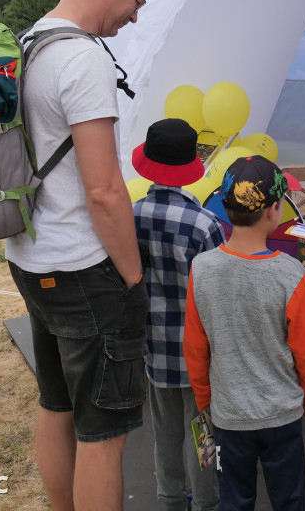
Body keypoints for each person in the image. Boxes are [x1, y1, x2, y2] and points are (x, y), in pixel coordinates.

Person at [5, 0, 153, 511]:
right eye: (137, 0)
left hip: (29, 258)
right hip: (84, 271)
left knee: (56, 407)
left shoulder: (29, 42)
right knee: (103, 435)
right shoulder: (84, 58)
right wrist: (133, 278)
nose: (134, 17)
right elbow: (105, 190)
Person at [184, 155, 305, 511]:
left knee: (235, 500)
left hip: (228, 414)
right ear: (275, 210)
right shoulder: (291, 274)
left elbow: (196, 347)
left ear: (225, 206)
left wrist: (205, 400)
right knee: (290, 499)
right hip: (282, 413)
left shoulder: (201, 269)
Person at [132, 118, 224, 511]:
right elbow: (218, 296)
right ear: (190, 166)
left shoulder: (130, 216)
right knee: (202, 432)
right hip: (198, 355)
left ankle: (170, 498)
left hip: (153, 349)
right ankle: (206, 500)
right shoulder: (204, 225)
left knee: (165, 431)